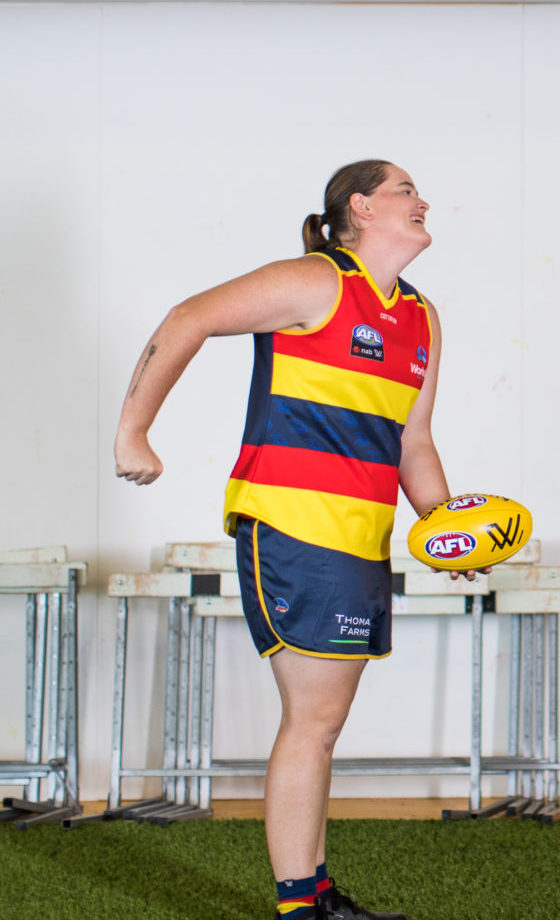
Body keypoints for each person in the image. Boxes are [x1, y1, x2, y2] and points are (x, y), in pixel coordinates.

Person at [116, 159, 475, 920]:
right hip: (291, 525)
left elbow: (413, 440)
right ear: (361, 207)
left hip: (360, 537)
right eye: (406, 190)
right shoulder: (315, 281)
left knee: (323, 723)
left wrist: (447, 532)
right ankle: (299, 906)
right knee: (311, 722)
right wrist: (133, 431)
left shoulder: (420, 316)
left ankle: (315, 895)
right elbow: (189, 317)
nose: (422, 201)